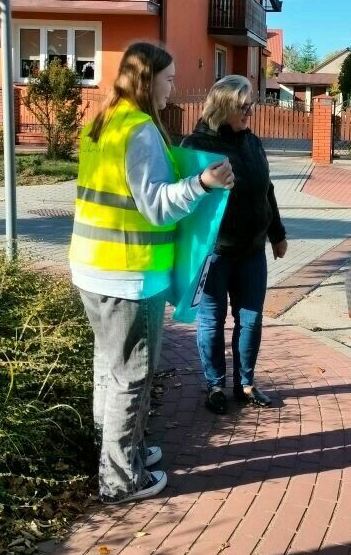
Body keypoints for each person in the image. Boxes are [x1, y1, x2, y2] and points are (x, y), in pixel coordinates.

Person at [70, 41, 234, 505]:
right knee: (132, 376)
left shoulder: (103, 122)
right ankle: (121, 479)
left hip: (92, 267)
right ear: (148, 80)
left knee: (109, 368)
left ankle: (116, 455)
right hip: (128, 275)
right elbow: (157, 207)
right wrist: (203, 184)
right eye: (168, 78)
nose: (173, 87)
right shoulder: (140, 130)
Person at [181, 75, 289, 414]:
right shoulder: (196, 145)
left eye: (252, 104)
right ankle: (215, 385)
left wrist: (277, 234)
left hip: (252, 251)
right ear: (224, 105)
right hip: (215, 254)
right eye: (244, 106)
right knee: (212, 321)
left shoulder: (252, 142)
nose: (251, 111)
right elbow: (184, 202)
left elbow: (266, 190)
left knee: (252, 319)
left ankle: (245, 384)